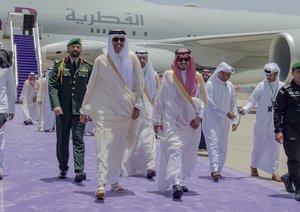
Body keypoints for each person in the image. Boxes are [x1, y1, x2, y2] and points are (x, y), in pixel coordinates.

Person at [79, 30, 144, 200]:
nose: (119, 43)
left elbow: (139, 83)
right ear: (110, 40)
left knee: (117, 149)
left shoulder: (132, 59)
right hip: (105, 113)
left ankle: (114, 181)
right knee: (103, 147)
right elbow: (92, 84)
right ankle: (101, 183)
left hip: (125, 112)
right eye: (115, 39)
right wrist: (85, 109)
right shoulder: (101, 60)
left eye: (122, 40)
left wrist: (138, 105)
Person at [153, 48, 206, 199]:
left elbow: (203, 100)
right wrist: (157, 120)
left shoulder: (198, 77)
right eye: (180, 60)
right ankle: (176, 183)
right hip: (171, 120)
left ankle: (180, 180)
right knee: (174, 148)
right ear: (176, 61)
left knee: (187, 152)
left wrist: (199, 118)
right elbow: (160, 98)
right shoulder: (169, 76)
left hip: (190, 122)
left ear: (190, 61)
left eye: (186, 60)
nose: (183, 62)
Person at [48, 38, 93, 183]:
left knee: (78, 140)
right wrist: (56, 105)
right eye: (73, 47)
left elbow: (92, 89)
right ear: (68, 49)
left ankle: (79, 170)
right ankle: (63, 167)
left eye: (78, 47)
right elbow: (52, 85)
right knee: (62, 140)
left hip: (80, 111)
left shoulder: (87, 67)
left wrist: (89, 109)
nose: (75, 49)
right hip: (62, 110)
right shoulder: (59, 65)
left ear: (81, 49)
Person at [239, 63, 284, 182]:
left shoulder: (282, 87)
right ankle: (254, 166)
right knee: (258, 144)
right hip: (261, 121)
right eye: (267, 75)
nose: (268, 77)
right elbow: (252, 101)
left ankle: (274, 172)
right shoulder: (261, 86)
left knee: (275, 147)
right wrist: (245, 109)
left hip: (276, 122)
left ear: (276, 74)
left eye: (270, 75)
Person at [121, 50, 159, 180]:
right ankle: (127, 167)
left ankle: (150, 167)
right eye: (139, 58)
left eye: (144, 58)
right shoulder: (128, 74)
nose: (142, 61)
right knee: (131, 139)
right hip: (131, 111)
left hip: (148, 113)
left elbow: (157, 97)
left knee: (148, 138)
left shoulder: (153, 75)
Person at [202, 62, 238, 182]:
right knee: (213, 144)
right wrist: (225, 113)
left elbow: (233, 103)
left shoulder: (230, 85)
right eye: (227, 75)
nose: (228, 77)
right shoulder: (210, 85)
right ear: (220, 73)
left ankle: (219, 169)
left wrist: (235, 120)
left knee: (223, 146)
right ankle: (214, 169)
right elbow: (210, 104)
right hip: (211, 120)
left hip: (225, 122)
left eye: (229, 75)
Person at [274, 61, 300, 201]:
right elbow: (278, 112)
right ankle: (299, 188)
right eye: (298, 72)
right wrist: (278, 130)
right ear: (293, 73)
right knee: (295, 159)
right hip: (291, 131)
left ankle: (288, 177)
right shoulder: (285, 90)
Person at [0, 43, 15, 180]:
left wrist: (12, 109)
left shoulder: (6, 68)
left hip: (1, 109)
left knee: (0, 139)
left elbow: (11, 88)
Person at [198, 69, 212, 151]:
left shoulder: (212, 84)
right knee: (201, 128)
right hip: (201, 109)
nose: (205, 75)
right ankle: (201, 144)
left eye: (207, 73)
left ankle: (206, 145)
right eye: (204, 73)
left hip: (210, 111)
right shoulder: (199, 83)